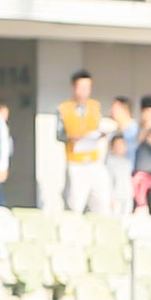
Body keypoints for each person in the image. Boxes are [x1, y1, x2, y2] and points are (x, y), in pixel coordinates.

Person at [56, 74, 114, 215]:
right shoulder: (63, 109)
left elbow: (99, 126)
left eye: (87, 87)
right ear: (73, 88)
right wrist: (71, 138)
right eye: (81, 87)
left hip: (94, 160)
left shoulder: (95, 107)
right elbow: (58, 134)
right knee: (75, 203)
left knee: (101, 201)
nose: (84, 91)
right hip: (76, 162)